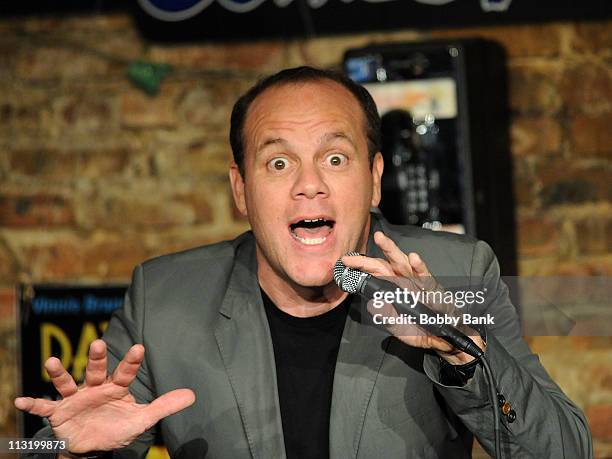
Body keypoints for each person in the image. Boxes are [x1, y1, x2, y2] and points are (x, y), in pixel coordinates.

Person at [16, 66, 592, 458]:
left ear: (374, 179)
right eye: (278, 164)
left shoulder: (455, 272)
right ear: (241, 191)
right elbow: (30, 447)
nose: (308, 186)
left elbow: (567, 448)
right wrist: (57, 447)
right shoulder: (164, 296)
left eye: (335, 158)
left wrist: (460, 353)